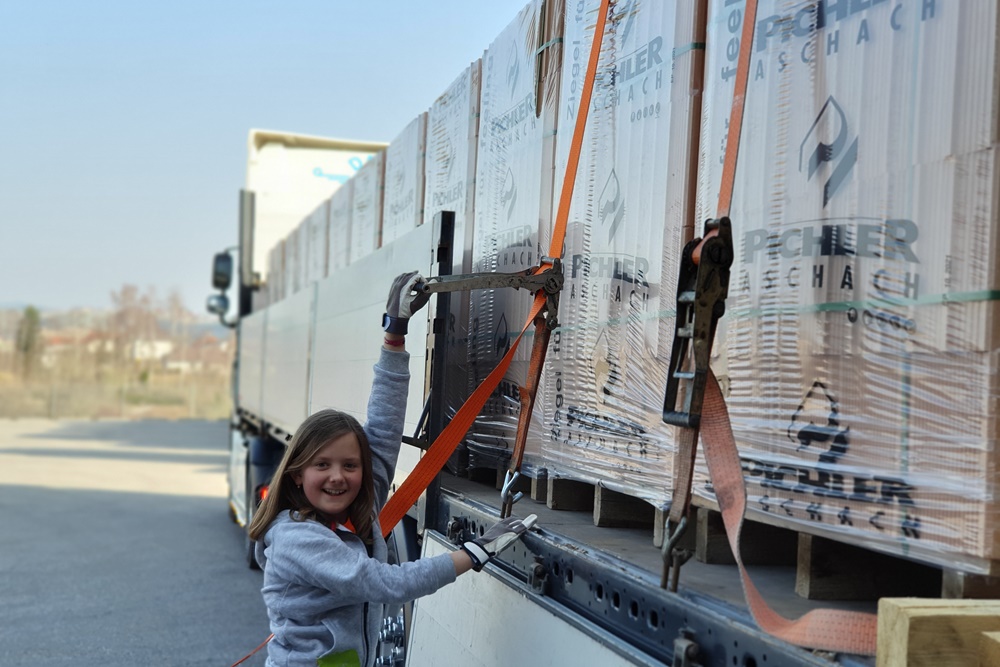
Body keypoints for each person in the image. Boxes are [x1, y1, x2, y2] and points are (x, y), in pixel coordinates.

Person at [247, 271, 536, 667]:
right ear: (297, 473)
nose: (338, 476)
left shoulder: (354, 510)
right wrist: (473, 554)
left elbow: (383, 428)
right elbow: (384, 583)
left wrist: (394, 338)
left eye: (350, 465)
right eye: (322, 466)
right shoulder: (298, 539)